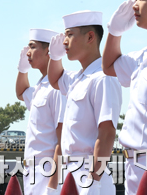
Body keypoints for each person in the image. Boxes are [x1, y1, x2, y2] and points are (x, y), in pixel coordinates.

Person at [47, 11, 121, 194]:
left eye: (70, 35)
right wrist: (55, 57)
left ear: (90, 37)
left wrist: (93, 180)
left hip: (89, 172)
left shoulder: (103, 78)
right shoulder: (78, 78)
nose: (65, 41)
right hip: (71, 171)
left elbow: (106, 134)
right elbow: (55, 79)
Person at [102, 0, 147, 194]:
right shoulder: (140, 58)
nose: (135, 6)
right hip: (134, 163)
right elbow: (109, 66)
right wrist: (114, 33)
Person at [15, 29, 66, 195]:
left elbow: (62, 139)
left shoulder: (58, 87)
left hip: (46, 169)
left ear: (48, 51)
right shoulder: (41, 86)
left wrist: (52, 185)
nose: (28, 52)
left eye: (32, 46)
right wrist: (22, 70)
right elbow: (21, 92)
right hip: (32, 170)